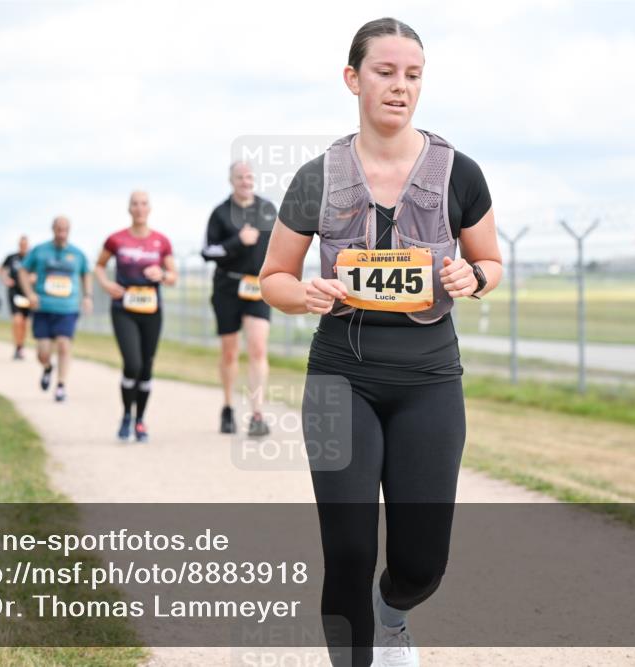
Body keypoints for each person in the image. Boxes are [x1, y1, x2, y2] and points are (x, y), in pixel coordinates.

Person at [258, 18, 502, 667]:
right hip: (341, 376)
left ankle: (393, 614)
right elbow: (272, 277)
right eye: (385, 72)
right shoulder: (317, 177)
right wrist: (304, 293)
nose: (400, 86)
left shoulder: (460, 173)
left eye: (412, 75)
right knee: (349, 551)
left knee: (421, 563)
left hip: (429, 381)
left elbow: (492, 262)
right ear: (353, 78)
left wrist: (474, 276)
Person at [201, 160, 277, 436]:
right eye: (240, 177)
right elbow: (207, 251)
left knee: (258, 348)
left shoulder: (267, 210)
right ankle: (228, 406)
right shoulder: (220, 213)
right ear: (231, 181)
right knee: (230, 352)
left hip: (258, 288)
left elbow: (282, 244)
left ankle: (257, 414)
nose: (245, 181)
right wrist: (237, 241)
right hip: (227, 288)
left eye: (249, 177)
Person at [95, 191, 177, 443]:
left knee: (147, 367)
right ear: (129, 208)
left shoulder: (161, 241)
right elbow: (99, 266)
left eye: (144, 204)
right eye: (135, 204)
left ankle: (140, 419)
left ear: (149, 208)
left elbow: (173, 276)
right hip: (124, 309)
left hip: (152, 310)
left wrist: (162, 275)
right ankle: (126, 416)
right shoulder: (116, 239)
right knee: (132, 364)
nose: (140, 208)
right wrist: (106, 284)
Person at [17, 216, 92, 403]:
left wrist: (87, 296)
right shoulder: (40, 250)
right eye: (59, 228)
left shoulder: (77, 254)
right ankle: (48, 367)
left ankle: (61, 386)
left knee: (64, 344)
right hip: (43, 307)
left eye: (65, 229)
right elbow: (23, 271)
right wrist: (29, 294)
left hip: (67, 308)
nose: (61, 232)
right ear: (53, 229)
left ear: (69, 230)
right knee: (42, 352)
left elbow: (86, 274)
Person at [0, 235, 31, 360]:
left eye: (25, 244)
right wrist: (5, 279)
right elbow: (2, 270)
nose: (23, 247)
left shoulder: (32, 257)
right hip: (14, 292)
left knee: (25, 323)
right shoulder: (12, 257)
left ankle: (21, 345)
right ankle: (17, 346)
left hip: (27, 292)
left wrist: (33, 278)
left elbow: (38, 272)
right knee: (17, 320)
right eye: (21, 244)